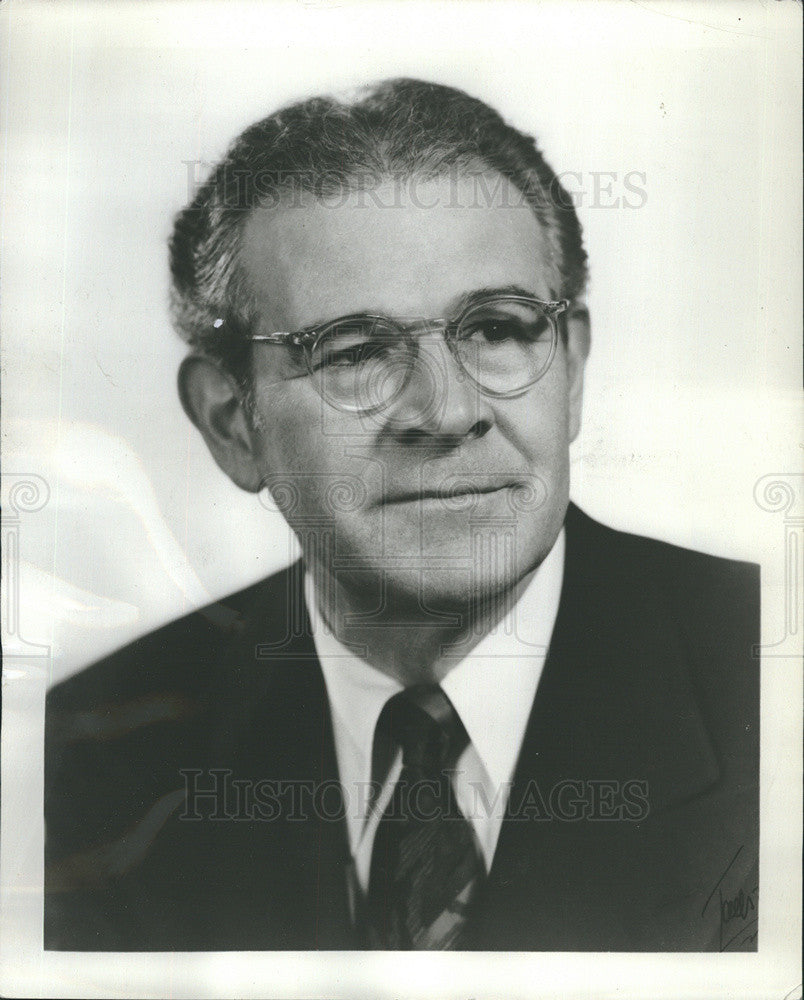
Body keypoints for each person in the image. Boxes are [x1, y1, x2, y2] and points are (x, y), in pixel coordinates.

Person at [44, 78, 759, 952]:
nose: (448, 410)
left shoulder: (769, 690)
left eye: (497, 329)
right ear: (234, 422)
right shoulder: (89, 758)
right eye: (355, 352)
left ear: (570, 369)